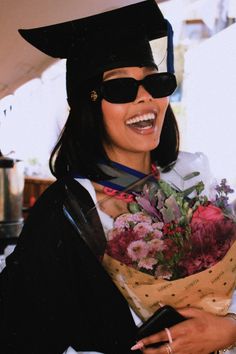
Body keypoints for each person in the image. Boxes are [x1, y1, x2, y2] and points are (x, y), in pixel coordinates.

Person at [0, 1, 235, 353]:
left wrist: (228, 329)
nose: (145, 98)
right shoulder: (64, 215)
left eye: (156, 81)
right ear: (88, 103)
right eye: (120, 88)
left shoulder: (192, 179)